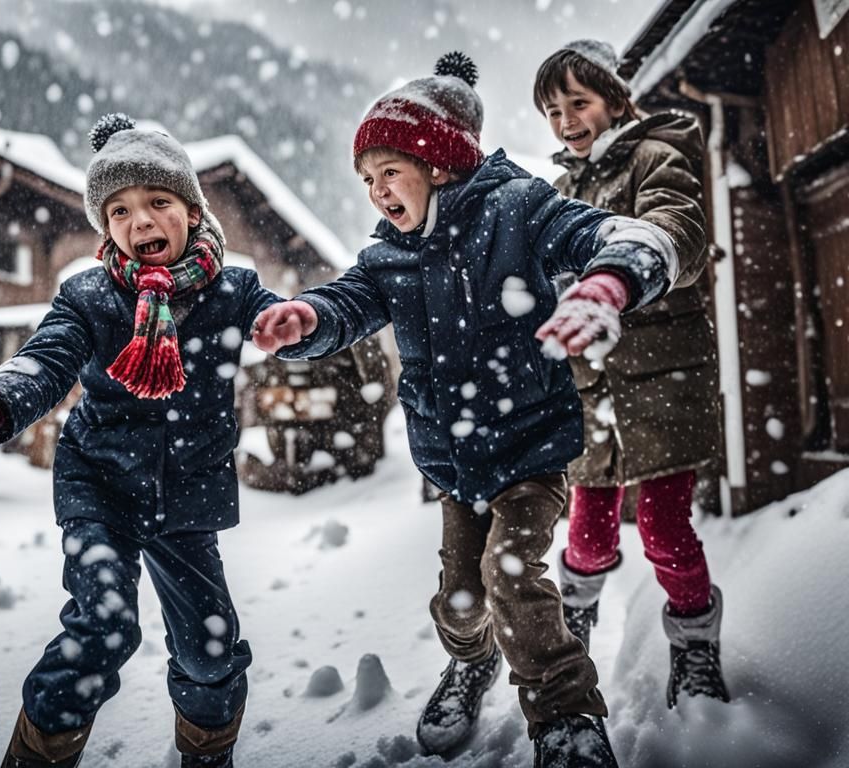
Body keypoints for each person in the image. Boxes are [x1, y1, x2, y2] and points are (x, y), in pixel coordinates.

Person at [252, 51, 683, 768]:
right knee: (460, 594)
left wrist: (612, 279)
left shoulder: (519, 207)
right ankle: (470, 662)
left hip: (532, 451)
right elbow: (345, 303)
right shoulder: (389, 256)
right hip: (453, 463)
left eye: (389, 172)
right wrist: (307, 320)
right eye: (366, 180)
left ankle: (566, 716)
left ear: (439, 162)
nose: (377, 192)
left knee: (510, 576)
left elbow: (607, 235)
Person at [0, 114, 284, 768]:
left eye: (158, 202)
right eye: (119, 210)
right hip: (100, 485)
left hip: (188, 495)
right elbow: (43, 362)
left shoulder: (234, 289)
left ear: (191, 211)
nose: (140, 222)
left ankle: (207, 758)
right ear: (103, 225)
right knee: (102, 627)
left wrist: (303, 325)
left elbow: (294, 326)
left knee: (211, 653)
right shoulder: (86, 295)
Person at [533, 39, 730, 709]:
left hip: (664, 381)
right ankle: (577, 613)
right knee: (585, 538)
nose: (565, 122)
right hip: (592, 395)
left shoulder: (656, 155)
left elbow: (680, 229)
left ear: (616, 100)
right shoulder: (560, 191)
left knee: (665, 530)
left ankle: (696, 645)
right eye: (552, 112)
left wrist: (619, 277)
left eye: (578, 103)